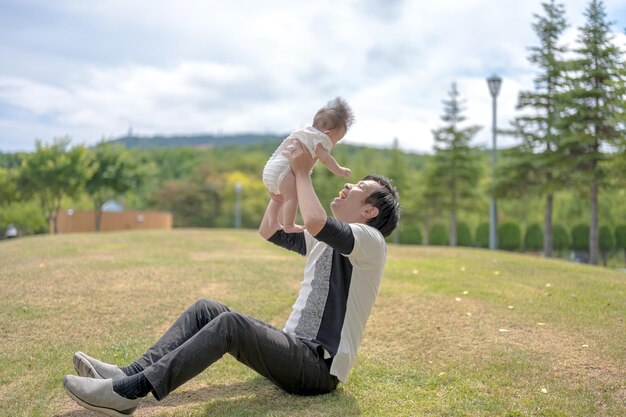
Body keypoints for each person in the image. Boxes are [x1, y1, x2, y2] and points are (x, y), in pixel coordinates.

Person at [62, 139, 400, 416]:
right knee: (207, 309)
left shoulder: (371, 242)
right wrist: (279, 196)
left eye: (359, 187)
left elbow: (314, 221)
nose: (347, 184)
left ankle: (129, 393)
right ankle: (128, 373)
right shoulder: (325, 238)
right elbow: (270, 231)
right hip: (295, 349)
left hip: (317, 368)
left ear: (370, 212)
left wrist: (303, 173)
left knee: (231, 325)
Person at [262, 97, 354, 233]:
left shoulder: (303, 133)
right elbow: (326, 160)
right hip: (283, 172)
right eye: (337, 140)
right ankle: (288, 225)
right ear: (327, 133)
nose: (334, 144)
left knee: (277, 199)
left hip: (270, 170)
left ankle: (273, 223)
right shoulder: (319, 139)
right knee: (292, 198)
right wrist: (340, 170)